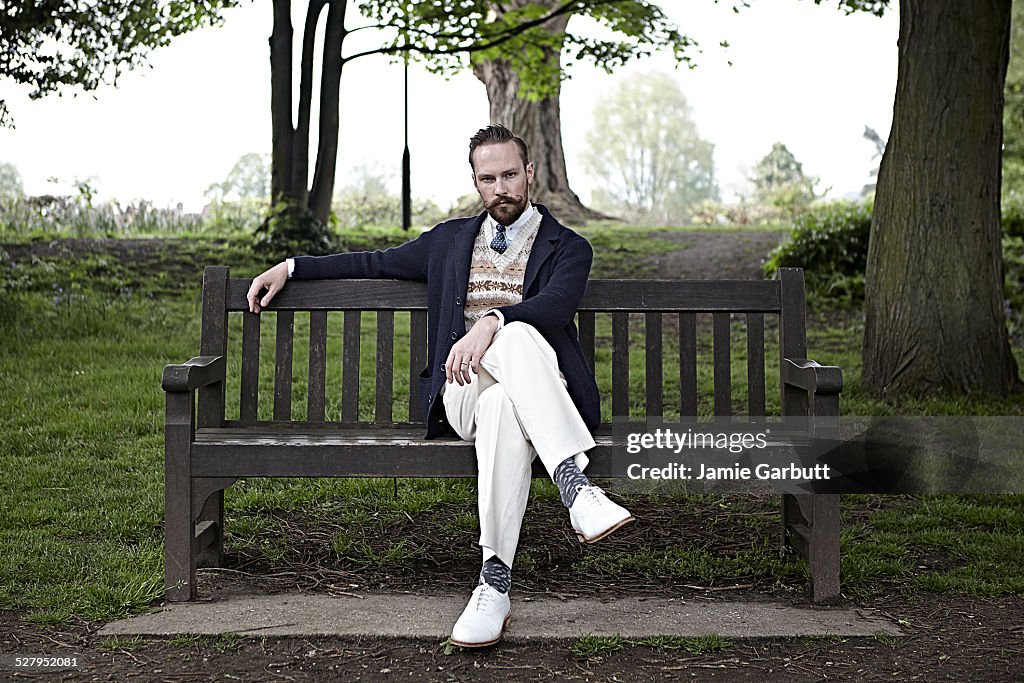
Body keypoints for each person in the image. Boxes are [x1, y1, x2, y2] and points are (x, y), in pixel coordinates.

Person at [246, 124, 633, 647]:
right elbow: (372, 260)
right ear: (475, 181)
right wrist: (291, 266)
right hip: (461, 391)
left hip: (532, 392)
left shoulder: (569, 246)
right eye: (489, 177)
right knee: (492, 384)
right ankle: (576, 486)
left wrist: (491, 320)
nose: (501, 188)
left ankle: (493, 584)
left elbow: (556, 308)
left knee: (508, 377)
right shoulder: (449, 241)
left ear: (531, 174)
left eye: (511, 175)